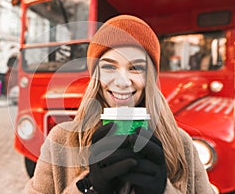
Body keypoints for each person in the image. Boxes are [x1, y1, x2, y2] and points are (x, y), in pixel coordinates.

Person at [25, 15, 215, 194]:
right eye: (109, 66)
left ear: (150, 77)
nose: (123, 82)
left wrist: (164, 190)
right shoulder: (61, 140)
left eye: (136, 68)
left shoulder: (181, 143)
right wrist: (88, 186)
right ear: (95, 76)